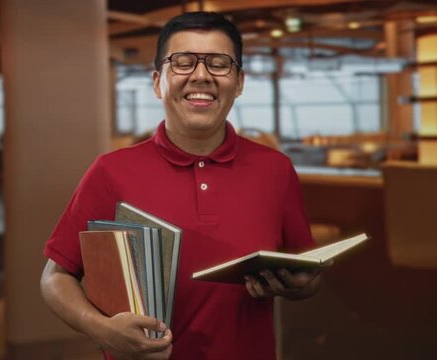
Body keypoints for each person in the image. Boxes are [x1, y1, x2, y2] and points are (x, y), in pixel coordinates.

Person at [40, 11, 323, 360]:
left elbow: (306, 273)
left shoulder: (276, 170)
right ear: (158, 81)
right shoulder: (111, 172)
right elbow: (54, 278)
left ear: (239, 82)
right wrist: (102, 329)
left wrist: (298, 285)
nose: (201, 76)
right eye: (183, 63)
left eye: (219, 63)